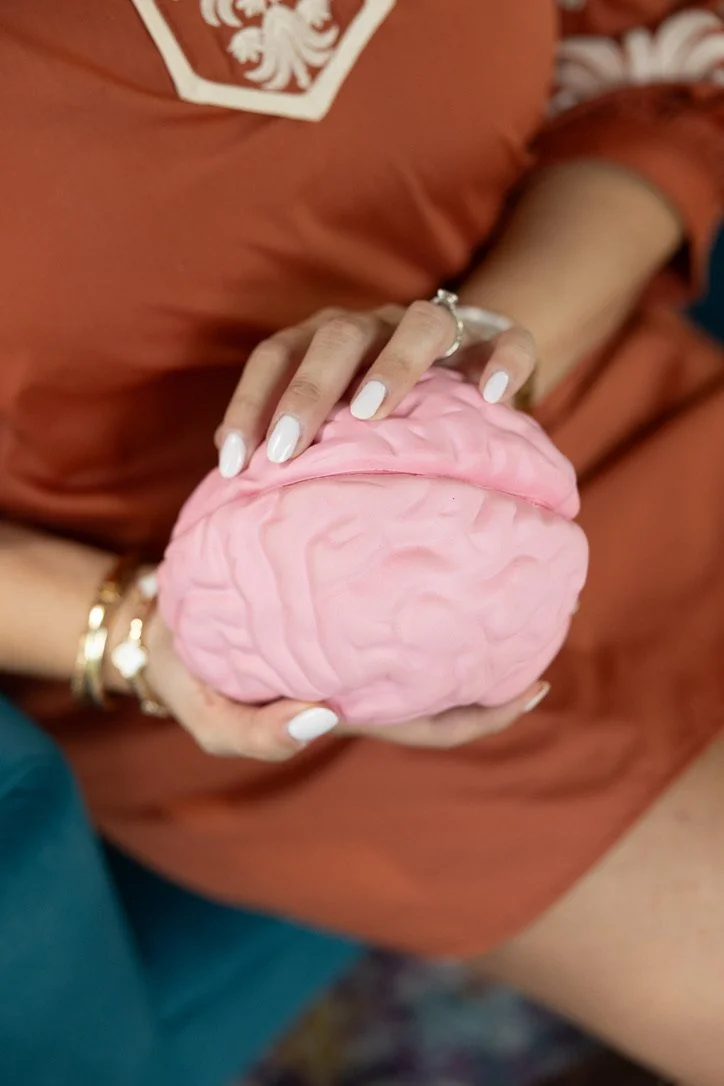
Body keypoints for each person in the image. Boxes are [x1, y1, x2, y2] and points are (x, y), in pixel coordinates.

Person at [1, 2, 723, 1082]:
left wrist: (491, 352)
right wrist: (138, 630)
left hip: (558, 394)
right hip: (235, 635)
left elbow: (647, 65)